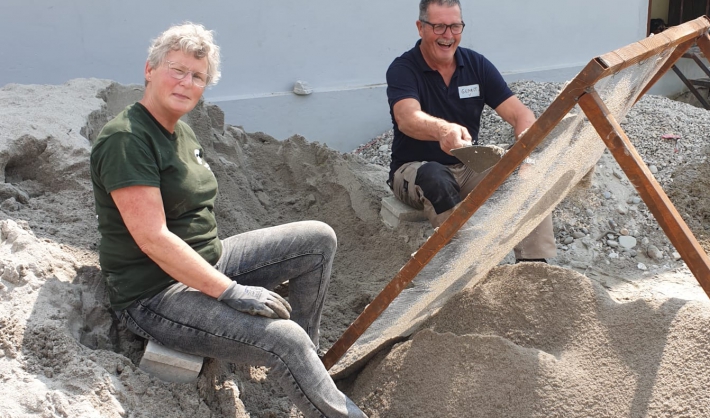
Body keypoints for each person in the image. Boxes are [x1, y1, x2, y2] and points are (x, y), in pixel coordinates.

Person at [90, 22, 366, 417]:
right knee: (284, 339)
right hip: (155, 294)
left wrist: (220, 280)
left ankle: (307, 365)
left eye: (198, 76)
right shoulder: (127, 139)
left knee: (318, 239)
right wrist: (229, 291)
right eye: (177, 69)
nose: (187, 82)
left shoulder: (180, 132)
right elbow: (152, 238)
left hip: (208, 262)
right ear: (150, 70)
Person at [387, 0, 557, 262]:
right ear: (421, 28)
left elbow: (520, 114)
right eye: (439, 27)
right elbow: (407, 117)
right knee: (435, 176)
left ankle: (534, 268)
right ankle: (468, 264)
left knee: (525, 172)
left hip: (467, 165)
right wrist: (443, 130)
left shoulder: (476, 65)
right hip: (414, 170)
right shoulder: (403, 69)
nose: (448, 35)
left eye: (455, 26)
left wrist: (526, 148)